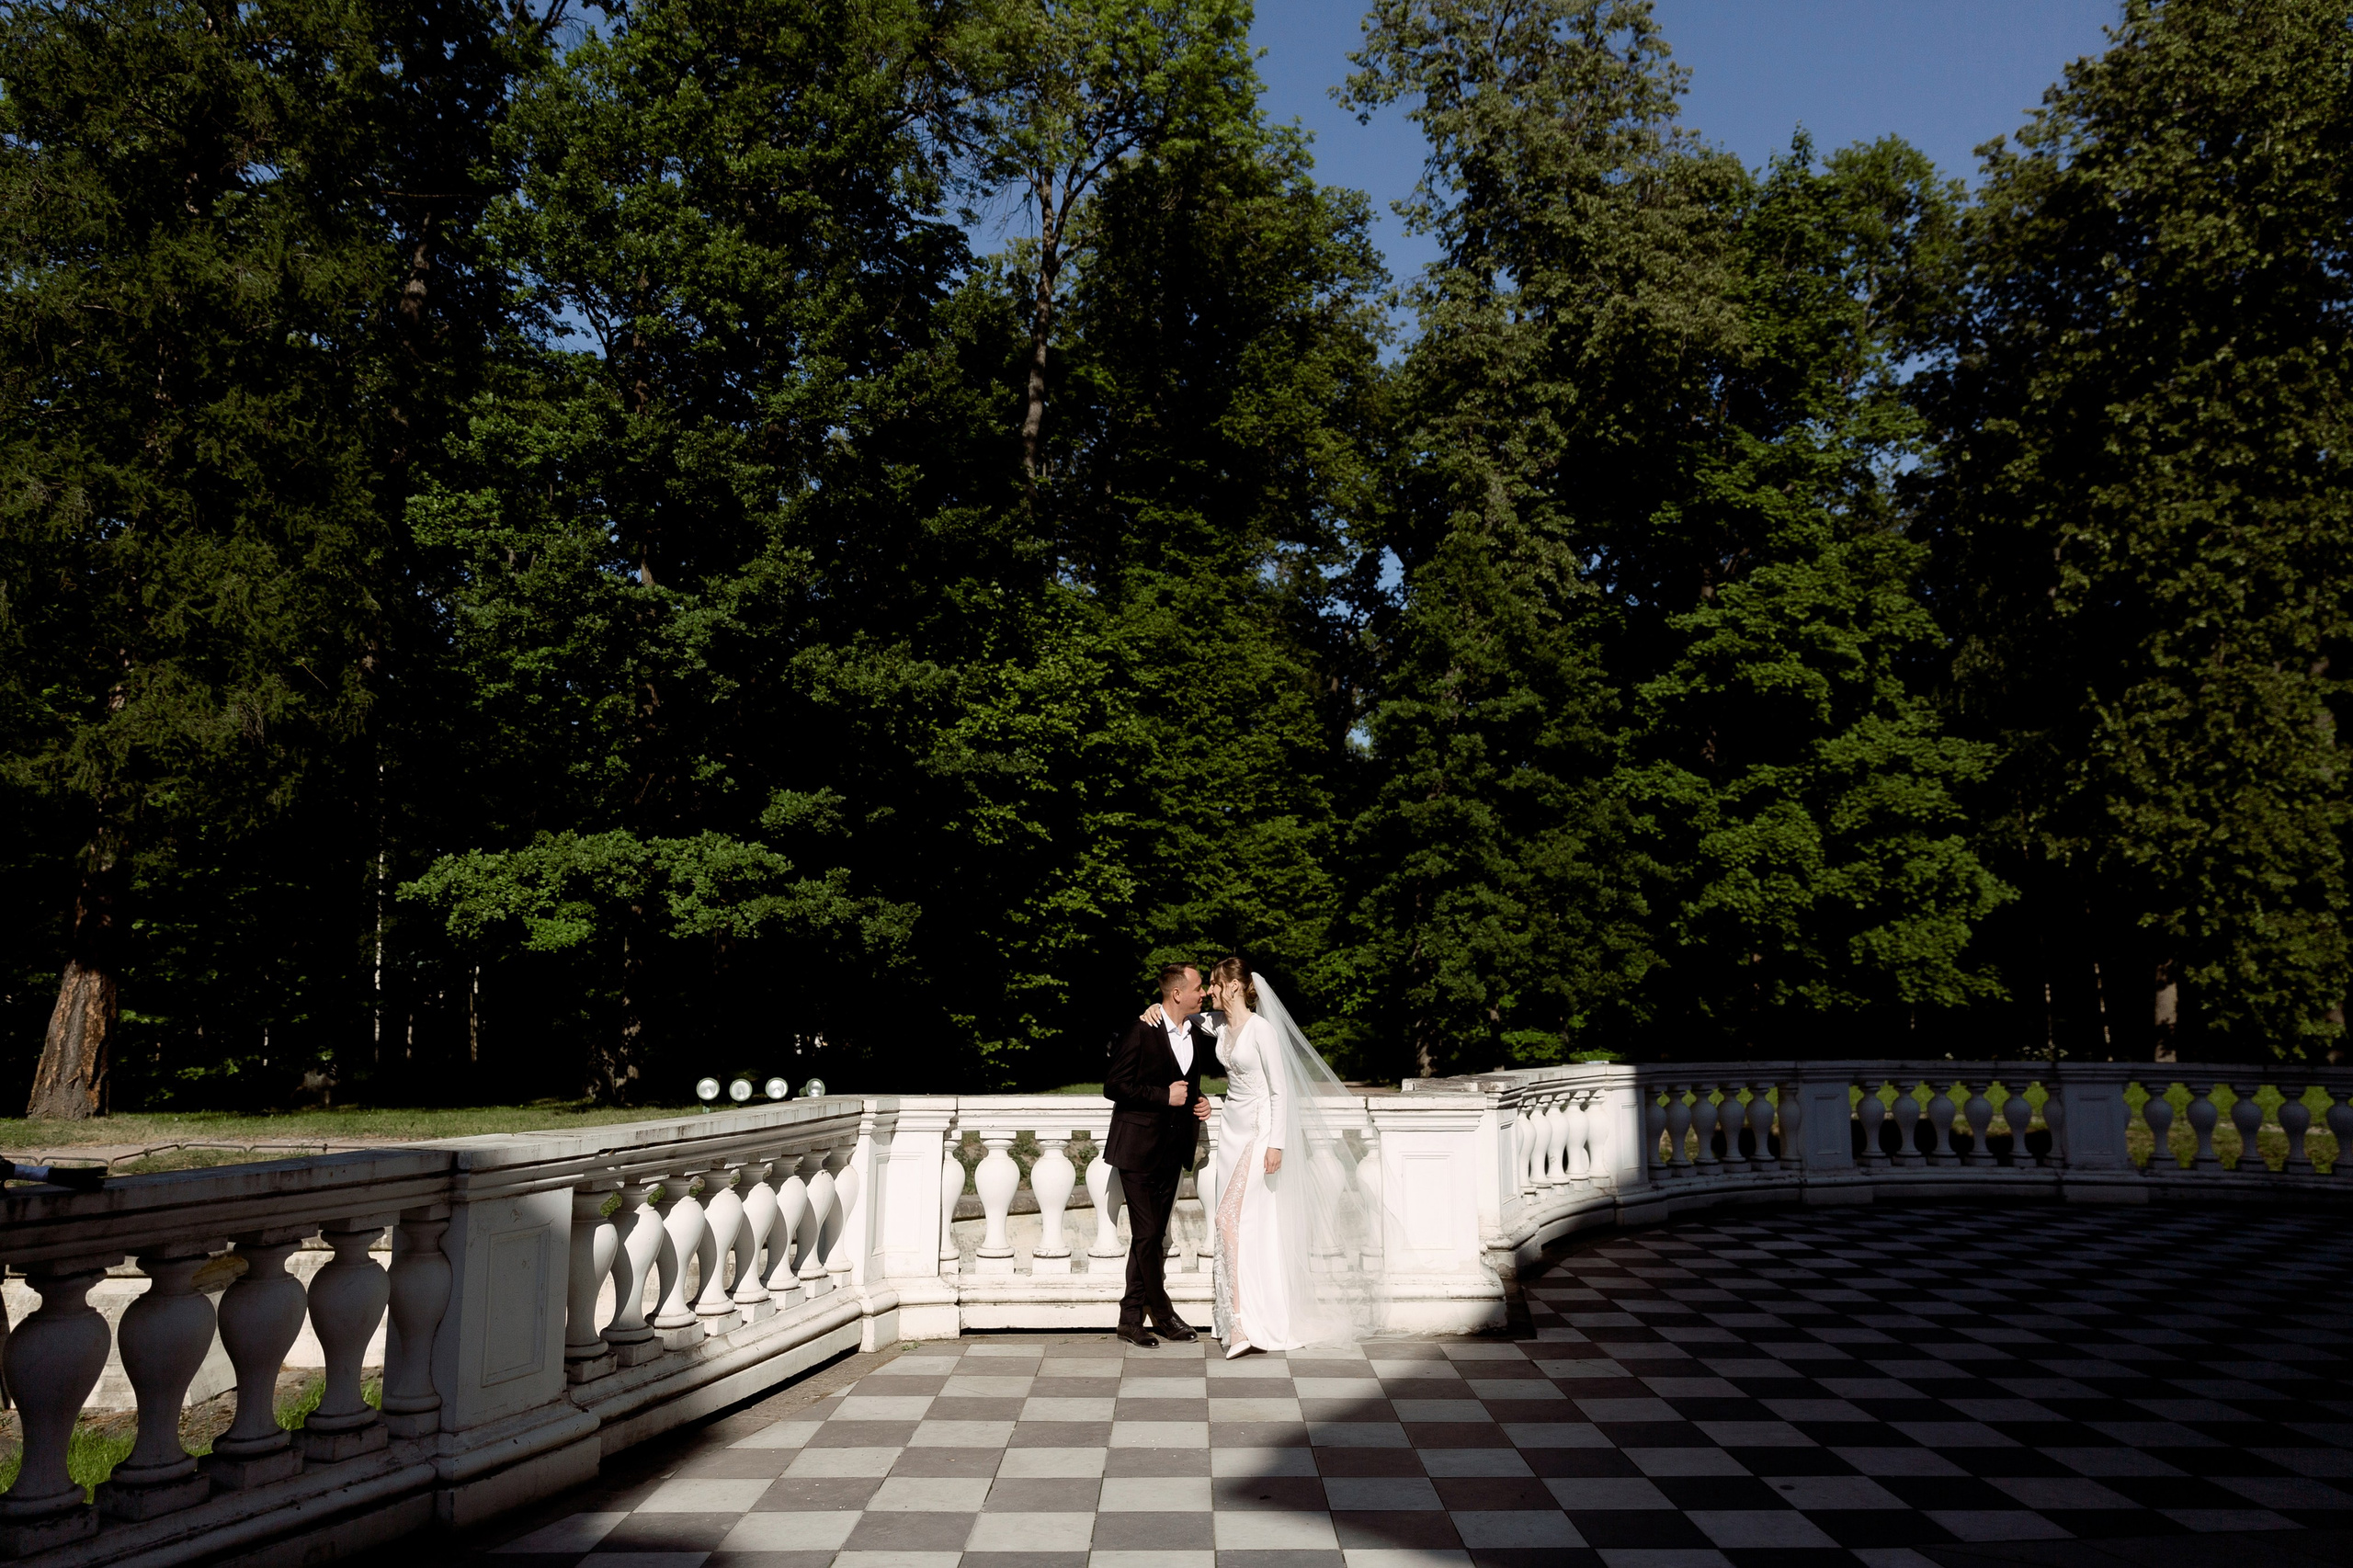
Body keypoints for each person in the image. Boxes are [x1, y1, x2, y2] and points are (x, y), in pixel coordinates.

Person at [1142, 957, 1371, 1357]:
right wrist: (1155, 1010)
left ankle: (1243, 1324)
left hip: (1258, 1133)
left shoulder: (1261, 1030)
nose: (1210, 990)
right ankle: (1239, 1317)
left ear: (1234, 986)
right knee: (1246, 1225)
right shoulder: (1218, 1025)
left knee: (1226, 1218)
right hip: (1231, 1130)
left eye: (1215, 984)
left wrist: (1276, 1143)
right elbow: (1182, 1018)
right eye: (1208, 985)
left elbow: (1281, 1090)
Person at [1102, 961, 1219, 1347]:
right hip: (1136, 1148)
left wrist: (1199, 1103)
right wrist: (1161, 1096)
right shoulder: (1141, 1029)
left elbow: (1189, 1087)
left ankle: (1130, 1319)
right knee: (1149, 1233)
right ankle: (1162, 1313)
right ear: (1176, 993)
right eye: (1198, 987)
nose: (1203, 993)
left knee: (1149, 1236)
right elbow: (1114, 1085)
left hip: (1174, 1150)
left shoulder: (1198, 1033)